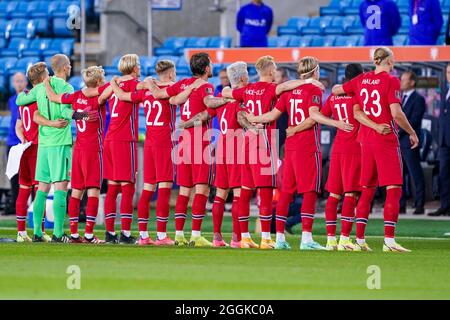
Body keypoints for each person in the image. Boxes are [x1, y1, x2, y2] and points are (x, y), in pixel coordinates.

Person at [221, 56, 322, 249]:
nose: (276, 72)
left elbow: (227, 91)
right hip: (264, 145)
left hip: (246, 146)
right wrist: (308, 80)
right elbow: (286, 86)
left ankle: (244, 237)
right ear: (269, 71)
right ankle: (266, 239)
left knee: (244, 193)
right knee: (265, 193)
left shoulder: (247, 90)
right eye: (274, 68)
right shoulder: (272, 89)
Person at [332, 47, 419, 252]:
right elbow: (396, 113)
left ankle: (358, 239)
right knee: (393, 189)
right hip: (386, 140)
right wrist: (412, 131)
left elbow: (341, 94)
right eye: (393, 61)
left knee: (367, 191)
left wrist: (371, 124)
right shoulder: (391, 81)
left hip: (365, 141)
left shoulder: (360, 80)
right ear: (387, 61)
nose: (394, 64)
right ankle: (389, 240)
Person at [310, 63, 392, 251]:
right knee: (351, 194)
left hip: (336, 148)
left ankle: (330, 240)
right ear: (360, 76)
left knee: (333, 194)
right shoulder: (358, 95)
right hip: (355, 148)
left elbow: (319, 116)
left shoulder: (334, 95)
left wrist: (335, 123)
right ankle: (345, 239)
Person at [176, 62, 251, 248]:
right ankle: (236, 238)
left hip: (222, 148)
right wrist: (254, 127)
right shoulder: (240, 99)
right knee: (238, 195)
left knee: (219, 194)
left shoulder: (219, 98)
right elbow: (241, 119)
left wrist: (185, 124)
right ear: (243, 77)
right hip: (237, 147)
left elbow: (204, 115)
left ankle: (217, 237)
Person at [16, 55, 90, 243]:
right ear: (65, 68)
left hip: (44, 144)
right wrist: (81, 115)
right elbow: (66, 112)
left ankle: (38, 233)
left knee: (41, 187)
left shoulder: (39, 88)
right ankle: (58, 233)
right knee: (61, 187)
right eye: (69, 65)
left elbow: (21, 102)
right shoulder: (66, 87)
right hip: (60, 143)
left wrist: (27, 96)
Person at [147, 53, 217, 247]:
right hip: (200, 140)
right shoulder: (206, 86)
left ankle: (178, 234)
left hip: (182, 143)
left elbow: (161, 95)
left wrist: (149, 82)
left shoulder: (183, 83)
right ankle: (196, 235)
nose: (212, 67)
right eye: (210, 65)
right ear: (206, 69)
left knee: (185, 189)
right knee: (202, 187)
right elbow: (205, 113)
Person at [109, 60, 179, 246]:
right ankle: (162, 236)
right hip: (164, 143)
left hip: (149, 144)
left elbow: (123, 96)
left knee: (148, 189)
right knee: (164, 189)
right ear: (171, 73)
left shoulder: (145, 91)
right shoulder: (172, 87)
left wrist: (113, 83)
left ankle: (143, 235)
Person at [44, 66, 111, 244]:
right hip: (93, 150)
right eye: (102, 79)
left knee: (76, 192)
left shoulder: (75, 96)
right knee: (94, 191)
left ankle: (74, 234)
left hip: (78, 150)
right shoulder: (99, 97)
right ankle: (88, 234)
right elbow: (110, 88)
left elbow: (52, 97)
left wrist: (46, 82)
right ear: (98, 82)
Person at [14, 65, 50, 242]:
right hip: (37, 148)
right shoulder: (39, 96)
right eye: (48, 75)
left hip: (25, 147)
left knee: (24, 189)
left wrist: (22, 139)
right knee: (39, 191)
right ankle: (40, 231)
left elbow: (18, 125)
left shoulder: (24, 97)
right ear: (43, 79)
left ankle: (21, 232)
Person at [399, 71, 426, 214]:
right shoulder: (399, 98)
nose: (401, 82)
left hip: (409, 142)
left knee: (415, 174)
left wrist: (398, 132)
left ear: (412, 82)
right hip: (397, 143)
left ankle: (420, 205)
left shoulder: (418, 99)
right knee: (399, 176)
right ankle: (401, 205)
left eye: (404, 80)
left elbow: (413, 120)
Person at [5, 72, 27, 216]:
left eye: (21, 81)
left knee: (27, 176)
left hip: (25, 142)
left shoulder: (29, 97)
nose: (19, 83)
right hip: (12, 142)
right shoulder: (11, 99)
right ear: (13, 83)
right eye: (16, 81)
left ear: (25, 82)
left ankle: (28, 205)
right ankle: (15, 204)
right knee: (14, 176)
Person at [429, 63, 450, 216]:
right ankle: (445, 206)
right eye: (448, 72)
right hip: (443, 142)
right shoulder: (444, 91)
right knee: (443, 174)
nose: (449, 75)